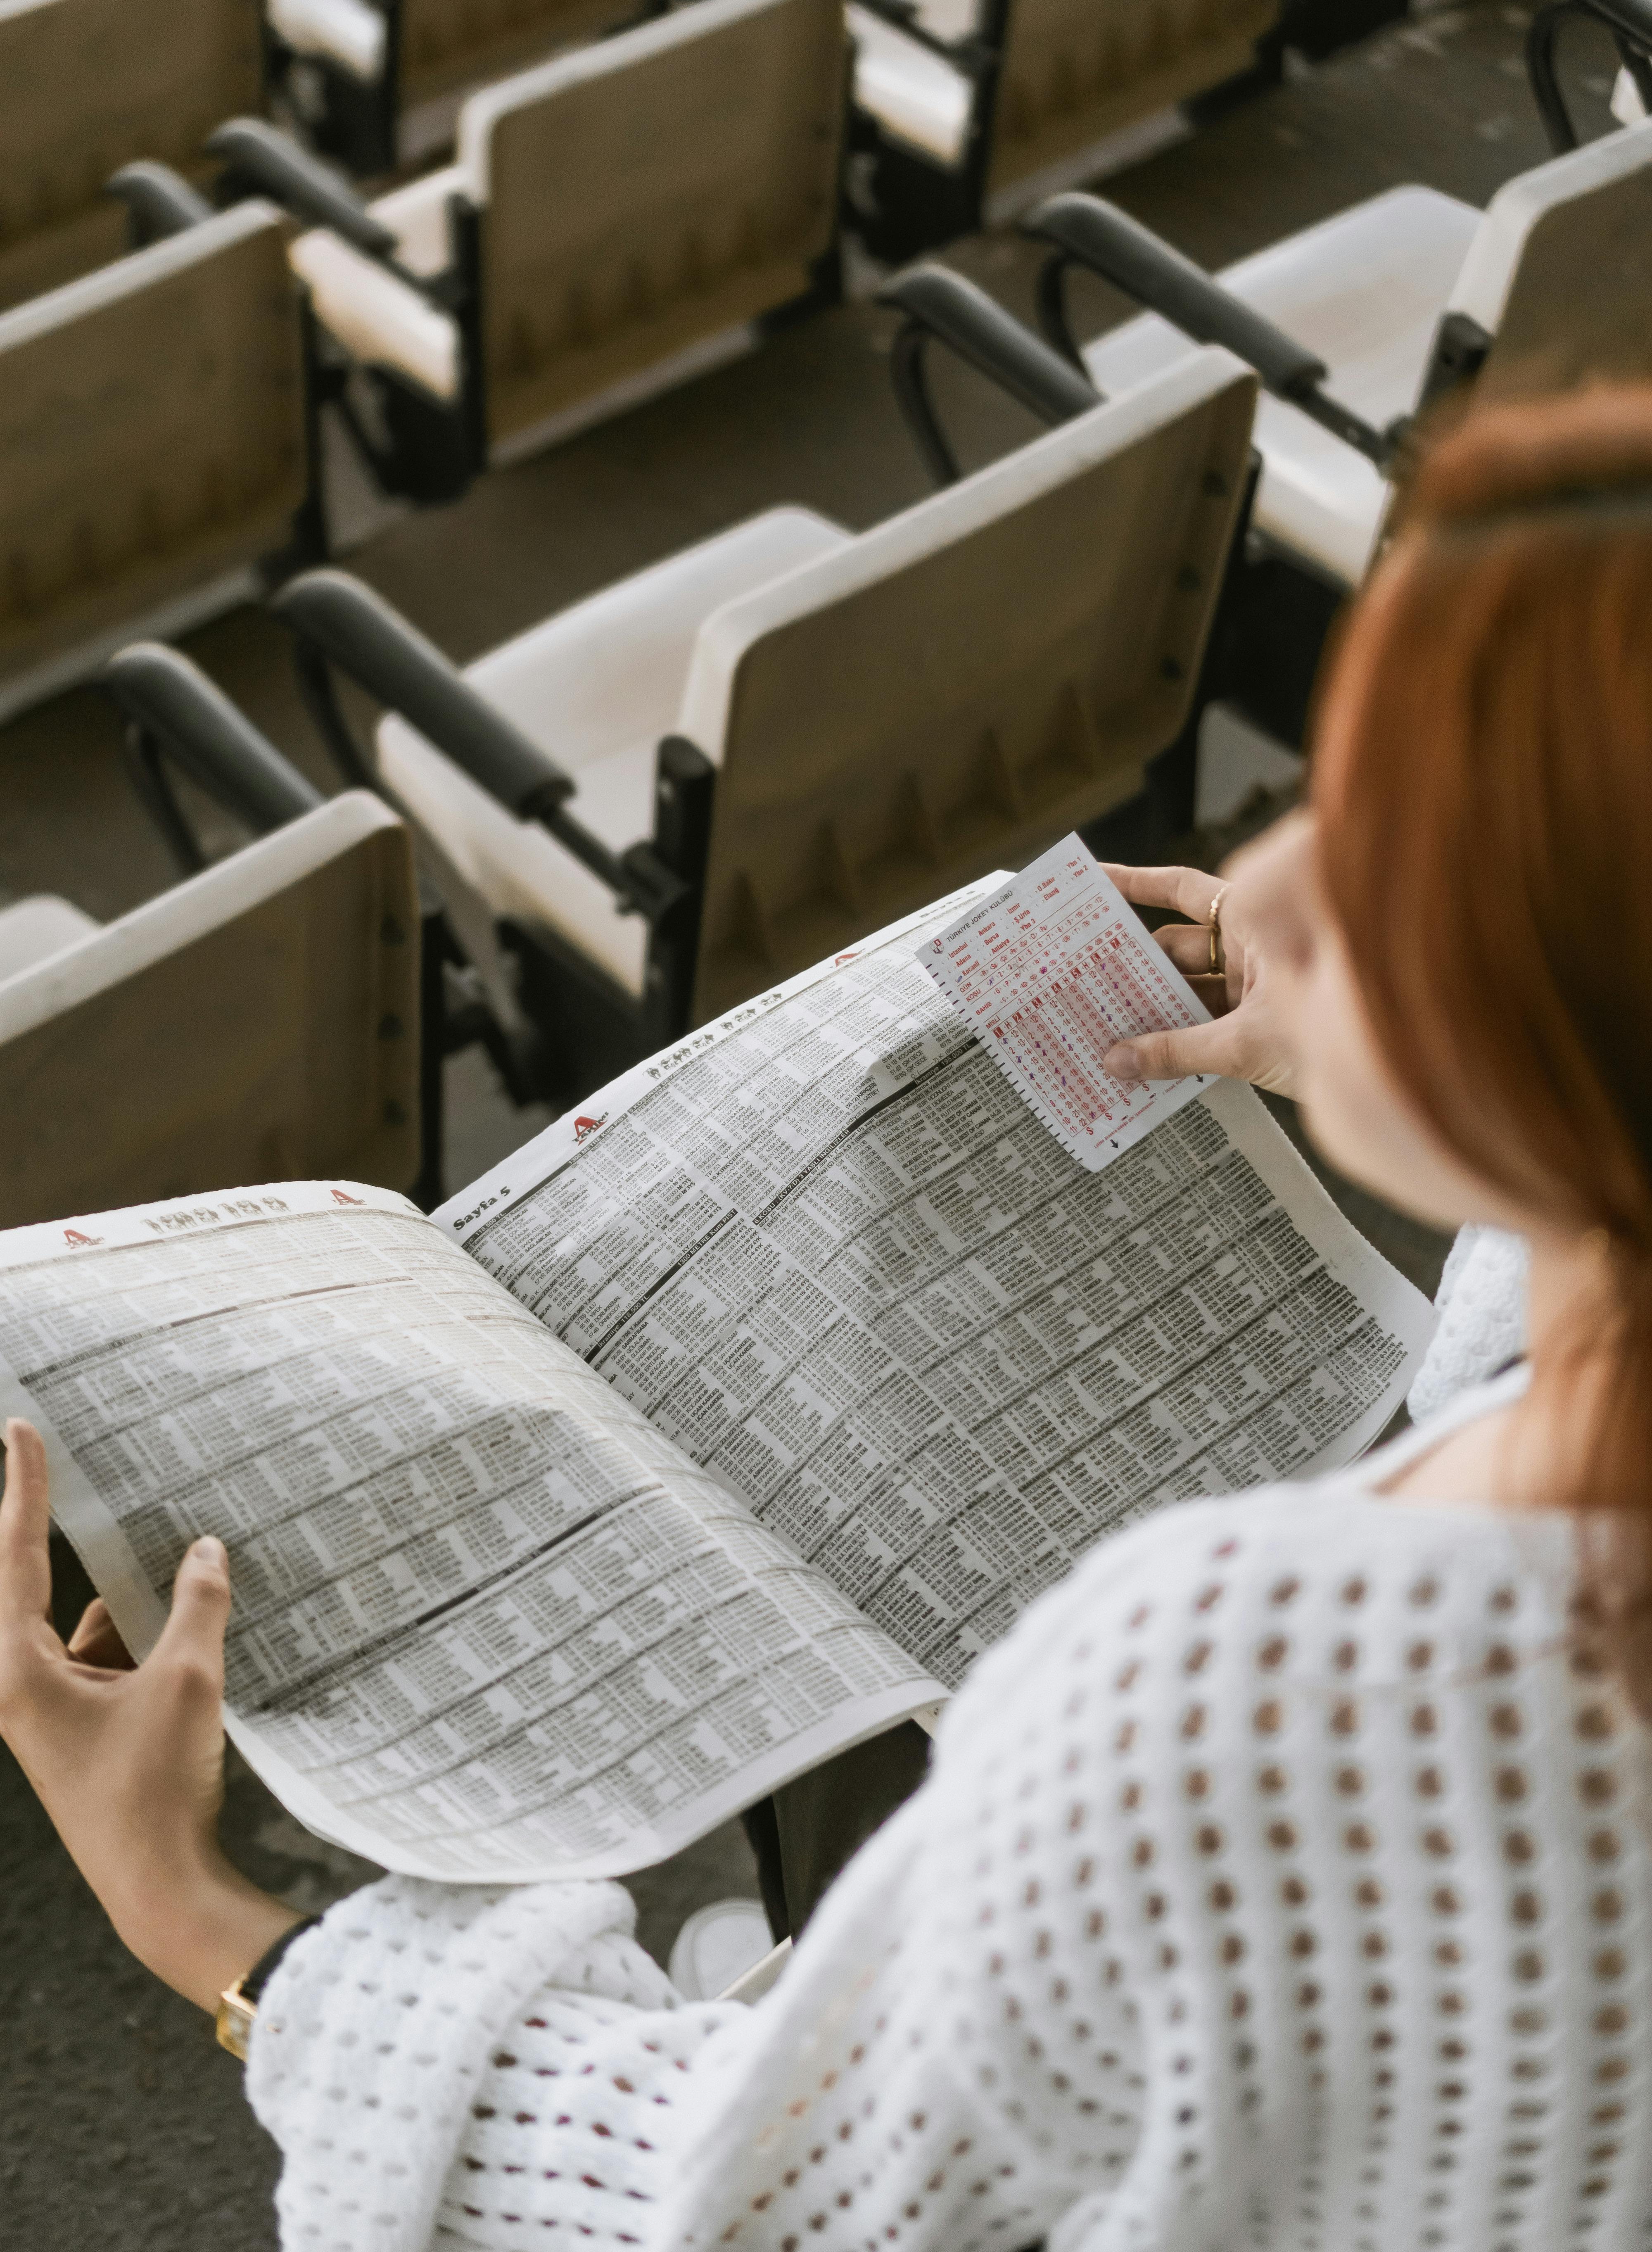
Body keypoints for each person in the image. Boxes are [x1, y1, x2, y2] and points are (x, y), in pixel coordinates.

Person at [3, 379, 1650, 2252]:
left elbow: (733, 2206)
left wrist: (202, 1923)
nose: (1268, 864)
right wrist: (1442, 1068)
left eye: (1404, 843)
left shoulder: (1247, 1685)